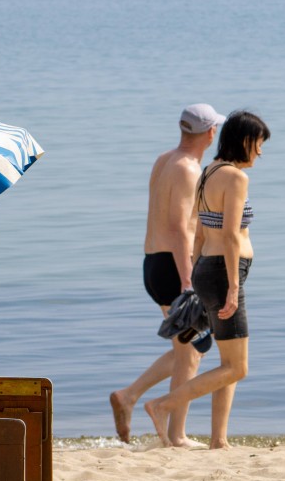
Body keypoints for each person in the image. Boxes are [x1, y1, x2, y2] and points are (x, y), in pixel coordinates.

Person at [144, 110, 270, 449]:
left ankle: (219, 439)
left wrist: (197, 278)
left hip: (208, 270)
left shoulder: (209, 171)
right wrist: (231, 287)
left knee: (228, 361)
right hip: (223, 272)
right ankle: (161, 406)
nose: (260, 152)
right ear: (244, 141)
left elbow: (200, 233)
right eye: (258, 144)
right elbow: (229, 236)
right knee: (236, 367)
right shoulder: (235, 178)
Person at [110, 104, 225, 448]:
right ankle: (176, 434)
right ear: (209, 133)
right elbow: (178, 228)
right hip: (174, 267)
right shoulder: (188, 168)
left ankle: (129, 396)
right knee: (192, 351)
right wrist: (189, 282)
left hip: (154, 263)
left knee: (189, 348)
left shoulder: (165, 160)